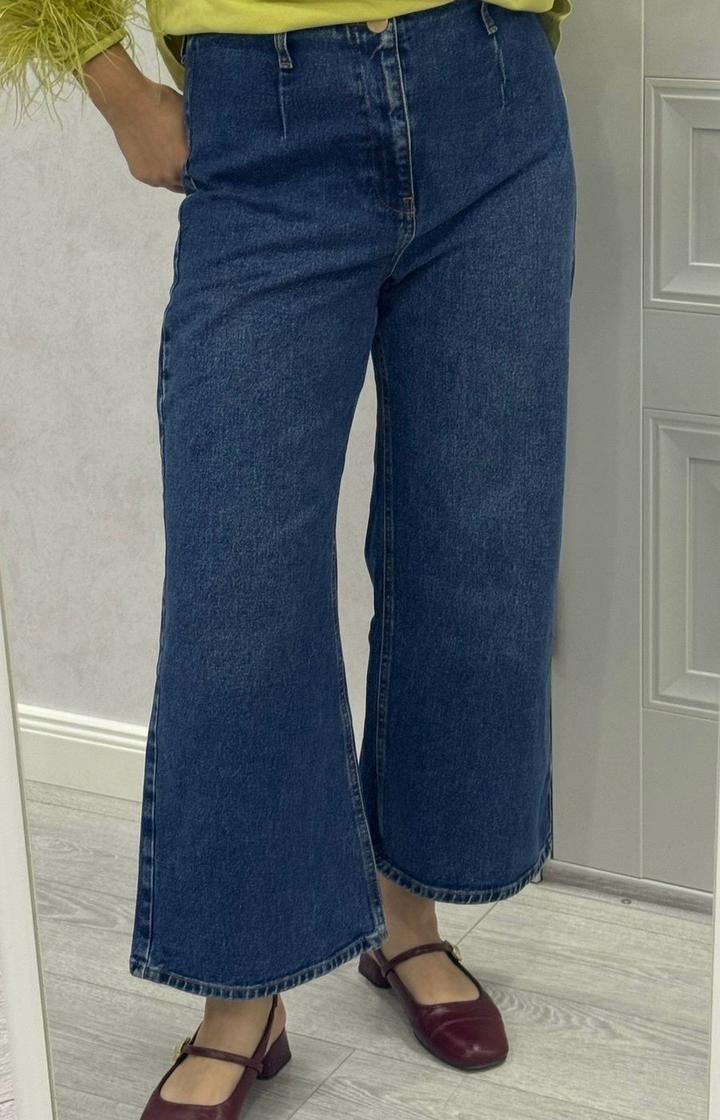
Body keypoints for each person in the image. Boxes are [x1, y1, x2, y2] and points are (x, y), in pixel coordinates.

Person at [1, 0, 576, 1114]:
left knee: (472, 548)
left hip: (492, 96)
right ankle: (243, 996)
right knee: (240, 583)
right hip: (262, 116)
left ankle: (407, 920)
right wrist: (114, 89)